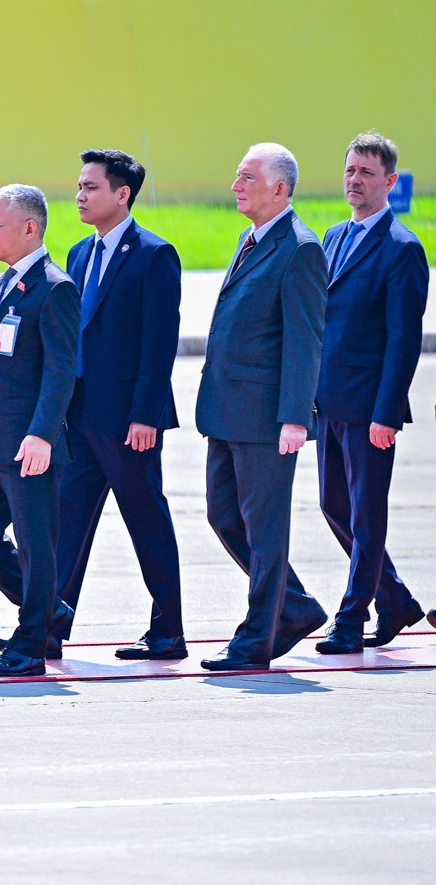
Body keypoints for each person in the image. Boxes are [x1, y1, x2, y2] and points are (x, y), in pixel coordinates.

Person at [196, 143, 329, 671]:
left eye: (247, 178)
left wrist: (296, 417)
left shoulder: (300, 249)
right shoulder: (250, 239)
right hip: (227, 410)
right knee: (224, 515)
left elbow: (304, 340)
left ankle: (257, 638)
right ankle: (293, 608)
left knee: (265, 529)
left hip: (266, 419)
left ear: (279, 188)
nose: (236, 186)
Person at [52, 148, 186, 660]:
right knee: (66, 523)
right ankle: (48, 624)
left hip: (129, 420)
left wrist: (145, 415)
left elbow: (159, 343)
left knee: (145, 520)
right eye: (79, 186)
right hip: (80, 415)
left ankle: (168, 632)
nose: (80, 196)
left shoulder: (154, 255)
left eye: (91, 187)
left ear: (122, 194)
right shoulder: (78, 254)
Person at [0, 186, 80, 677]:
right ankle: (47, 610)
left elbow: (61, 370)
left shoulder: (55, 287)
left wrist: (43, 434)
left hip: (29, 444)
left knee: (34, 544)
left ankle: (30, 647)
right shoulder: (7, 282)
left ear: (29, 228)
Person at [313, 131, 432, 652]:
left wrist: (387, 412)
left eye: (366, 172)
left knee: (366, 516)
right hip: (328, 401)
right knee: (333, 507)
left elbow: (403, 341)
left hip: (369, 408)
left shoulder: (403, 249)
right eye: (350, 170)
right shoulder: (333, 236)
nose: (355, 180)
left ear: (390, 181)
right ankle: (397, 600)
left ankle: (351, 618)